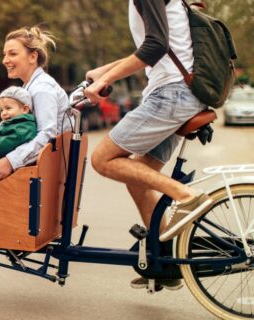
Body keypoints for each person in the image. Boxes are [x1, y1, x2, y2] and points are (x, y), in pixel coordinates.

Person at [83, 0, 213, 289]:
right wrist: (101, 72)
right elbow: (154, 50)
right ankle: (164, 258)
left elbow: (154, 48)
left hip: (172, 94)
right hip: (182, 92)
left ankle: (185, 195)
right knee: (138, 176)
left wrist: (105, 78)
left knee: (102, 159)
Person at [0, 26, 70, 182]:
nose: (5, 60)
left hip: (44, 169)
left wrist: (10, 160)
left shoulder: (42, 89)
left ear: (32, 57)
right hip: (42, 163)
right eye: (4, 55)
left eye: (13, 54)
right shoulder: (31, 86)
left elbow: (48, 135)